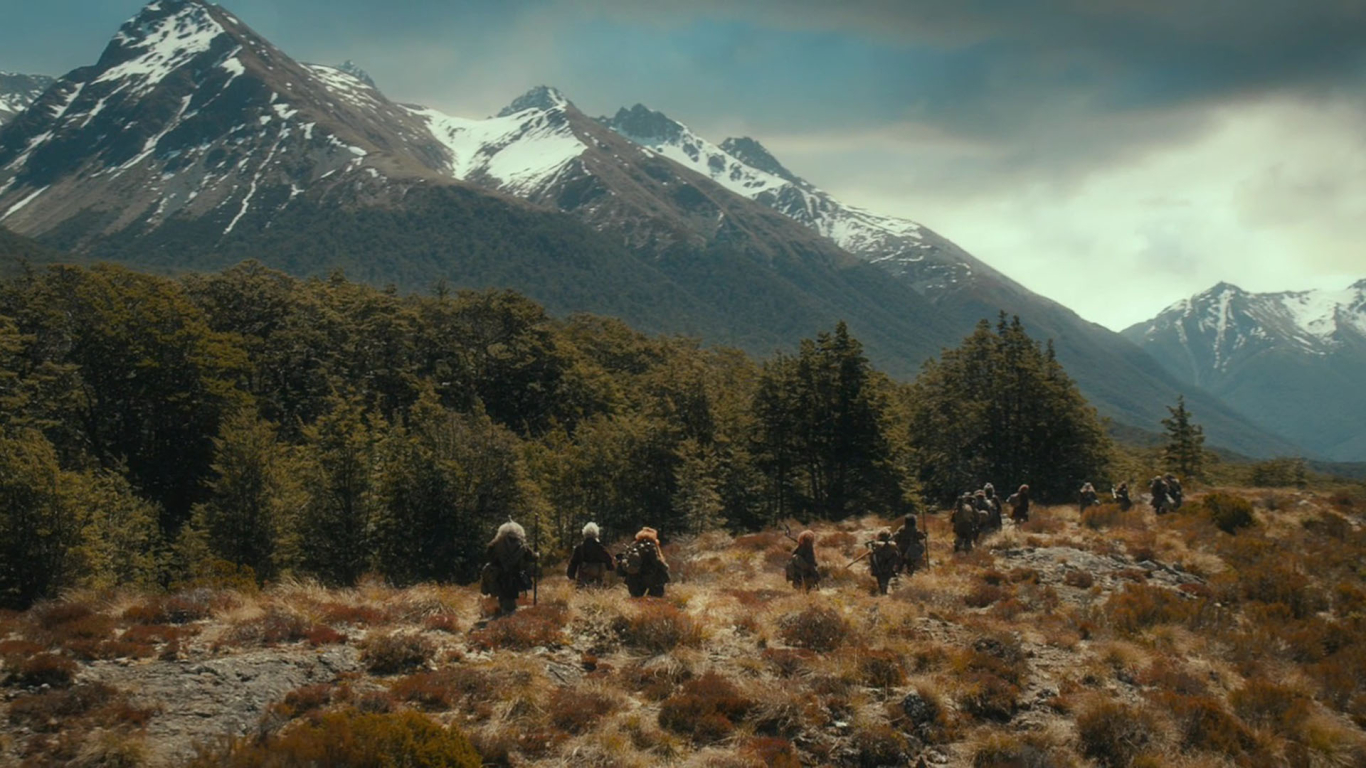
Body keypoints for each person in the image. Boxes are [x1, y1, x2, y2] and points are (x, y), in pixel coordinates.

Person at [482, 521, 538, 617]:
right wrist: (537, 554)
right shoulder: (521, 544)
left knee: (501, 593)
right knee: (511, 596)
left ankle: (504, 614)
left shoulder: (496, 543)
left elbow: (488, 556)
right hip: (516, 575)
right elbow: (531, 557)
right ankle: (509, 616)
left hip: (499, 575)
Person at [619, 527, 670, 597]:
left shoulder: (634, 545)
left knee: (635, 598)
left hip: (633, 577)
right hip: (650, 578)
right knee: (654, 598)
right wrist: (665, 567)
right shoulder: (651, 545)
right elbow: (657, 561)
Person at [567, 521, 615, 588]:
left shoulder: (580, 548)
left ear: (584, 534)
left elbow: (573, 563)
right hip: (598, 583)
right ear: (596, 534)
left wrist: (571, 576)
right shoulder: (601, 548)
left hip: (582, 581)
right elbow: (610, 563)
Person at [869, 530, 900, 595]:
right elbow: (897, 555)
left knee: (879, 575)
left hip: (878, 564)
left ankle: (882, 588)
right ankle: (884, 588)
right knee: (887, 574)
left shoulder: (876, 545)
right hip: (888, 563)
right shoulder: (892, 545)